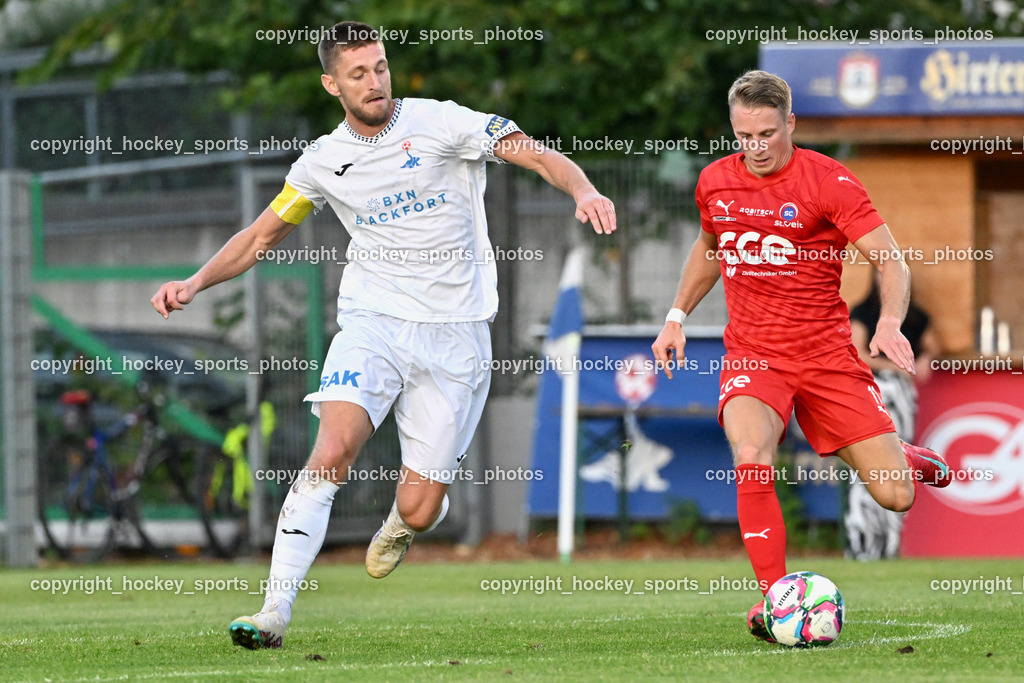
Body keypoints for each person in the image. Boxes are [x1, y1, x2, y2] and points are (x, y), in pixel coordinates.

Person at [151, 20, 616, 650]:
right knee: (331, 450)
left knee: (423, 508)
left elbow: (532, 151)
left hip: (456, 335)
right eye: (358, 73)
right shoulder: (321, 162)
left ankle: (407, 517)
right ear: (331, 84)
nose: (375, 82)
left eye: (380, 67)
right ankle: (274, 611)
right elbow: (261, 236)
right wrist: (195, 281)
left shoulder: (443, 122)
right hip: (373, 324)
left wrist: (582, 187)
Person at [651, 70, 949, 644]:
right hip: (754, 356)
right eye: (744, 135)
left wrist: (888, 323)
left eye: (767, 133)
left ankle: (902, 455)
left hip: (827, 356)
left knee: (894, 494)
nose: (756, 147)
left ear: (790, 123)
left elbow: (890, 260)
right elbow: (712, 247)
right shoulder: (714, 182)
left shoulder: (829, 181)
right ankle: (776, 600)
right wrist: (675, 318)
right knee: (751, 452)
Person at [845, 273, 939, 560]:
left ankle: (889, 545)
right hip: (872, 391)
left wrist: (924, 359)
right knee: (865, 468)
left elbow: (933, 347)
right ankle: (861, 545)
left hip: (902, 397)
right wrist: (898, 367)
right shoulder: (863, 312)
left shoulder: (914, 317)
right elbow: (857, 353)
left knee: (901, 462)